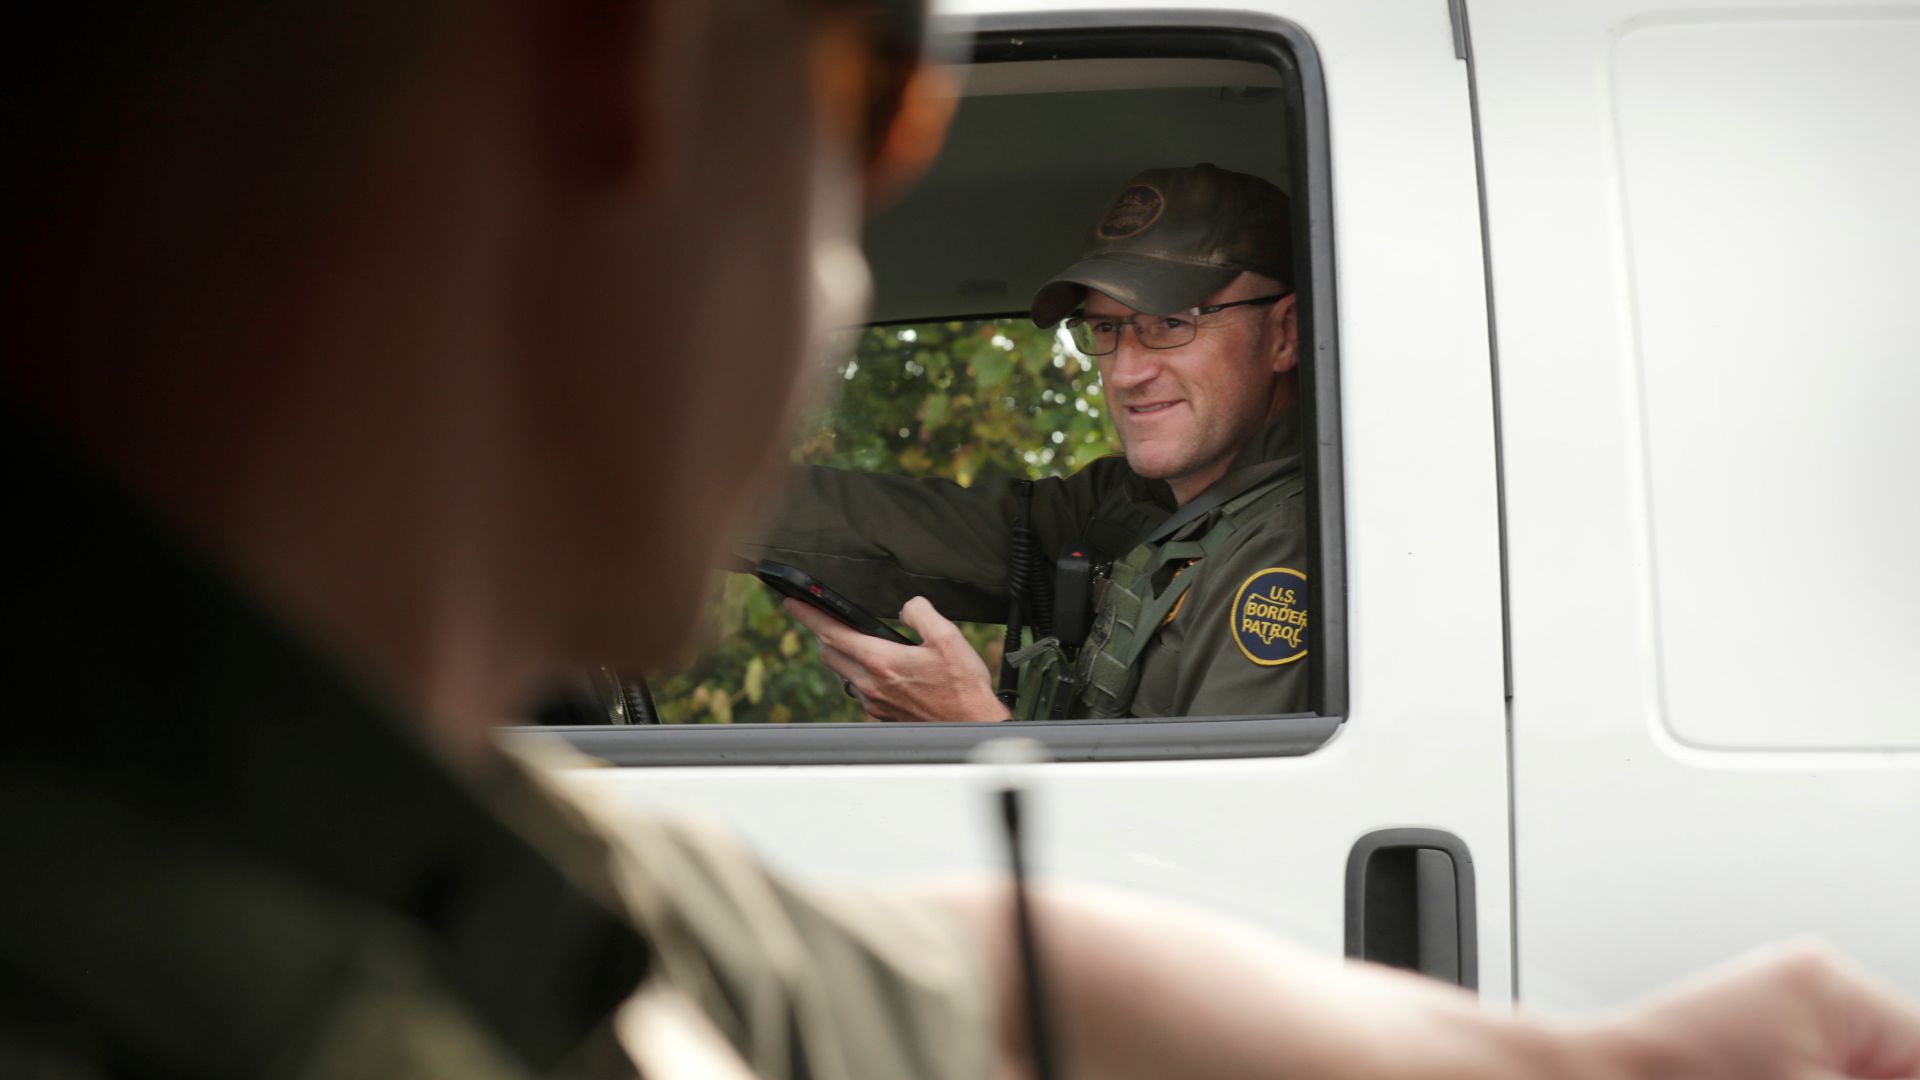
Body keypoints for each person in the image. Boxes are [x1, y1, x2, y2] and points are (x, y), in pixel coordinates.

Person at [3, 3, 1918, 1079]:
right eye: (869, 118)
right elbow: (948, 527)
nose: (1122, 356)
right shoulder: (1117, 511)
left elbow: (956, 971)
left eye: (1171, 318)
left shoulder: (356, 839)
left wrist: (1589, 1070)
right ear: (634, 69)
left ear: (1287, 330)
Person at [747, 164, 1314, 724]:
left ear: (1284, 334)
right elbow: (902, 532)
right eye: (1105, 329)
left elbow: (1225, 817)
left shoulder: (1293, 548)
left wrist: (966, 725)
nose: (1123, 373)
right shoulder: (1139, 503)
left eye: (1169, 324)